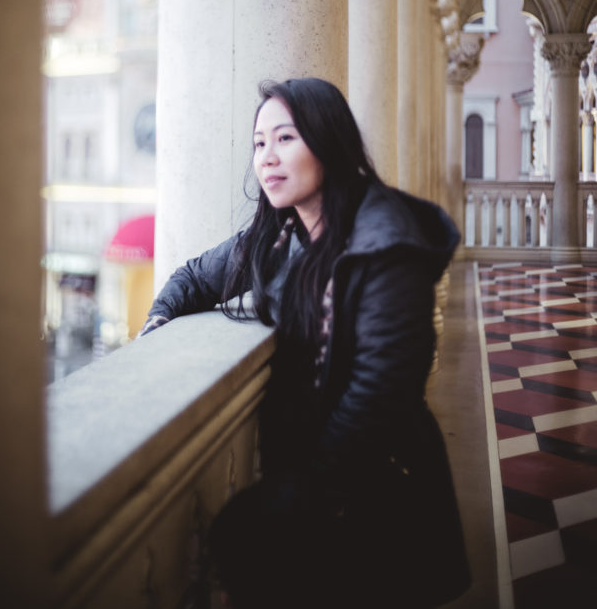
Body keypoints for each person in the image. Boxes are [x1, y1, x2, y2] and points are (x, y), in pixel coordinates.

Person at [140, 77, 470, 608]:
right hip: (318, 481)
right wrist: (158, 318)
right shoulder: (281, 233)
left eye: (285, 138)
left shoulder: (386, 241)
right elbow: (197, 276)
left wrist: (305, 491)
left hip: (375, 492)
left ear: (330, 141)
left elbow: (382, 389)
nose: (266, 157)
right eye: (258, 143)